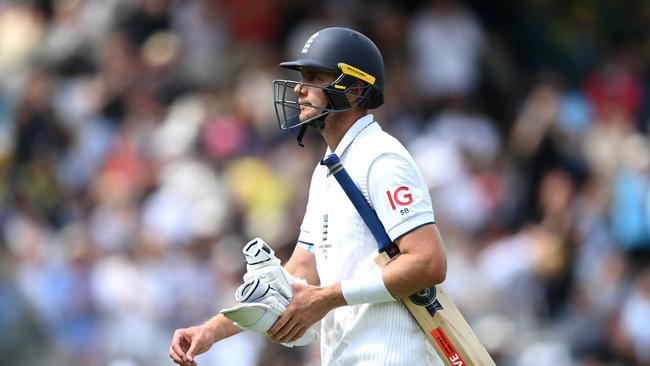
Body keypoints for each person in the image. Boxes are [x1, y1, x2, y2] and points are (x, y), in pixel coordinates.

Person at [169, 26, 447, 366]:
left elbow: (428, 262)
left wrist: (325, 299)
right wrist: (212, 330)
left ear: (355, 89)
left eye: (314, 77)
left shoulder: (382, 157)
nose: (300, 89)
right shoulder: (328, 169)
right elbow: (299, 273)